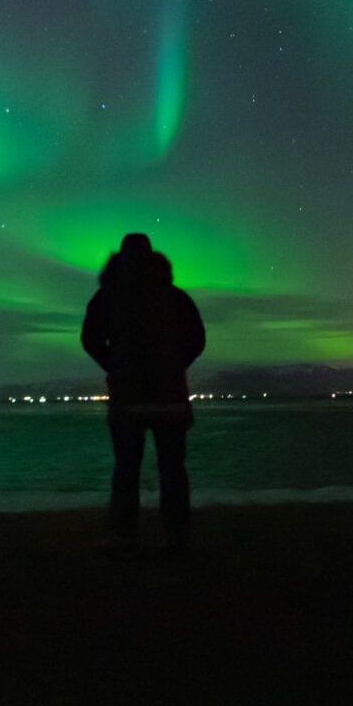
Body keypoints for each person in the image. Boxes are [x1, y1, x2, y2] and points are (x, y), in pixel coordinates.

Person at [80, 233, 206, 549]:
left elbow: (90, 340)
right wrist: (175, 367)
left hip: (128, 400)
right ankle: (177, 535)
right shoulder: (175, 297)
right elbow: (197, 340)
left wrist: (115, 367)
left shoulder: (107, 297)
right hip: (170, 399)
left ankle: (124, 535)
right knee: (173, 469)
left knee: (126, 469)